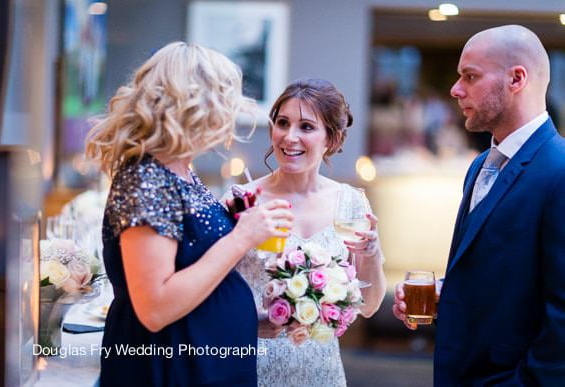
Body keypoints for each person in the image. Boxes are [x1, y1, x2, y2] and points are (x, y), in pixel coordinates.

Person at [85, 42, 294, 387]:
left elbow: (193, 267)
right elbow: (154, 309)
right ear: (196, 106)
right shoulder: (145, 178)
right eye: (225, 103)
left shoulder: (181, 170)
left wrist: (249, 320)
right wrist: (242, 238)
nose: (230, 116)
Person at [392, 25, 565, 385]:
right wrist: (445, 295)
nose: (455, 90)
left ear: (516, 79)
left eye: (470, 77)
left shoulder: (559, 170)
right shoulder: (480, 165)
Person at [223, 78, 387, 387]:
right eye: (282, 123)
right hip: (249, 368)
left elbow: (368, 306)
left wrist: (372, 254)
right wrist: (248, 323)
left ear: (332, 139)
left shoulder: (351, 202)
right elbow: (209, 295)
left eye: (307, 127)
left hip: (321, 373)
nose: (289, 137)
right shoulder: (240, 201)